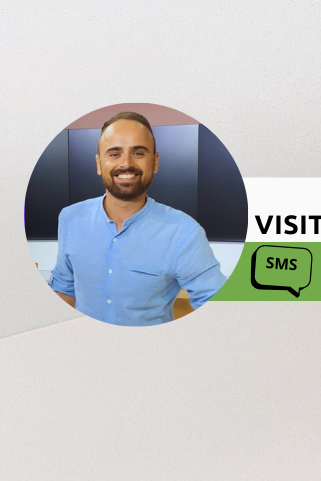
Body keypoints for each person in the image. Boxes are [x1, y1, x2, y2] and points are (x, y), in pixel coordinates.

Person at [46, 112, 223, 325]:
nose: (126, 163)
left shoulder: (184, 233)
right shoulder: (70, 218)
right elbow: (63, 288)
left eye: (138, 153)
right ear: (99, 164)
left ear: (154, 162)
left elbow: (219, 307)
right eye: (114, 154)